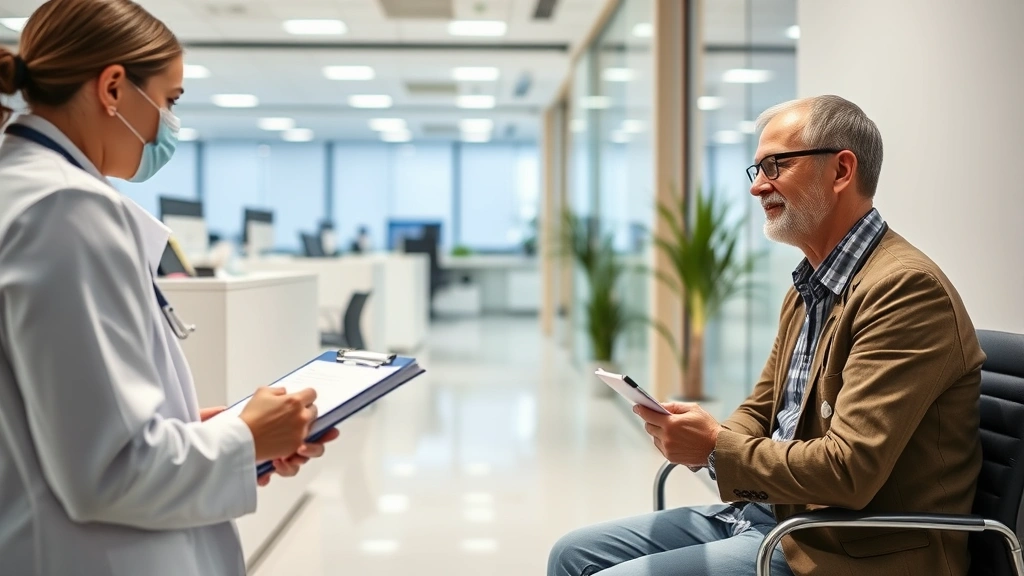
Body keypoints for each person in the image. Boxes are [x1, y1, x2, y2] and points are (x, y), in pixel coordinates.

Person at [548, 95, 984, 576]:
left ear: (841, 171)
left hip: (844, 547)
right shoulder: (808, 287)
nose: (758, 188)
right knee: (571, 554)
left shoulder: (904, 290)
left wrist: (714, 446)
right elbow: (762, 408)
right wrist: (701, 438)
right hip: (774, 513)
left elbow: (849, 470)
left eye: (775, 165)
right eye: (755, 170)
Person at [0, 1, 339, 574]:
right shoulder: (66, 210)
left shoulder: (26, 188)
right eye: (170, 100)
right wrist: (244, 441)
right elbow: (110, 471)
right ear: (113, 88)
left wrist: (228, 432)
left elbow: (66, 424)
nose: (170, 124)